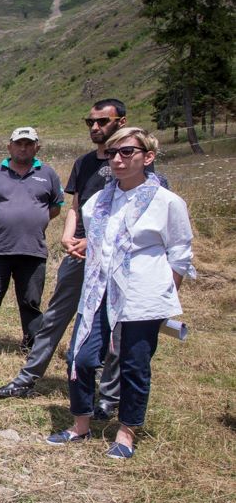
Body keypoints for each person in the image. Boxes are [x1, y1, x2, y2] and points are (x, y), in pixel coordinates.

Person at [0, 99, 147, 413]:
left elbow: (138, 211)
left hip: (117, 259)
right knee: (55, 316)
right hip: (79, 256)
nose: (95, 127)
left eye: (102, 121)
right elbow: (75, 206)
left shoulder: (134, 160)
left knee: (115, 324)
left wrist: (95, 241)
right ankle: (28, 377)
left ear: (121, 121)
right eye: (90, 122)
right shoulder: (85, 163)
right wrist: (68, 235)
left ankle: (108, 397)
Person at [46, 127, 194, 458]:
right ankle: (80, 424)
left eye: (127, 152)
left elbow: (180, 254)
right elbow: (101, 243)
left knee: (133, 365)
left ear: (148, 157)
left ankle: (126, 433)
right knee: (80, 358)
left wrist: (165, 298)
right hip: (98, 292)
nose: (117, 159)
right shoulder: (98, 202)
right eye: (113, 153)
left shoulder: (167, 203)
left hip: (142, 297)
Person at [0, 127, 64, 359]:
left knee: (31, 301)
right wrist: (1, 222)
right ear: (9, 146)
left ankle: (32, 345)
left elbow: (55, 207)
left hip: (33, 249)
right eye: (19, 143)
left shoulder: (48, 174)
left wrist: (31, 221)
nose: (23, 147)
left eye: (29, 144)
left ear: (37, 147)